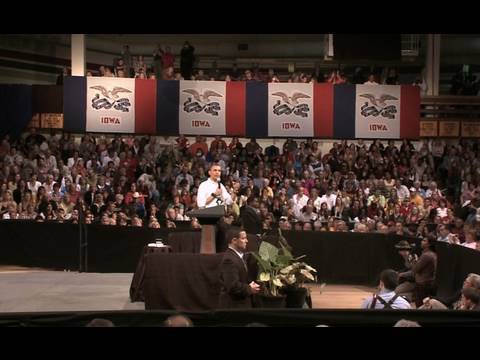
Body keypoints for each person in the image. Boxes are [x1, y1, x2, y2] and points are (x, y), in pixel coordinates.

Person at [218, 230, 261, 308]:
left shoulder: (240, 256)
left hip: (242, 303)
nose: (247, 241)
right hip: (234, 306)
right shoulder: (229, 260)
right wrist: (249, 289)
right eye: (243, 238)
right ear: (234, 240)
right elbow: (233, 286)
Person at [399, 235, 437, 308]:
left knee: (421, 306)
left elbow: (415, 269)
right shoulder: (429, 254)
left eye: (424, 241)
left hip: (423, 285)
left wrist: (412, 260)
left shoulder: (427, 255)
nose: (421, 242)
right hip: (425, 284)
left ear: (429, 244)